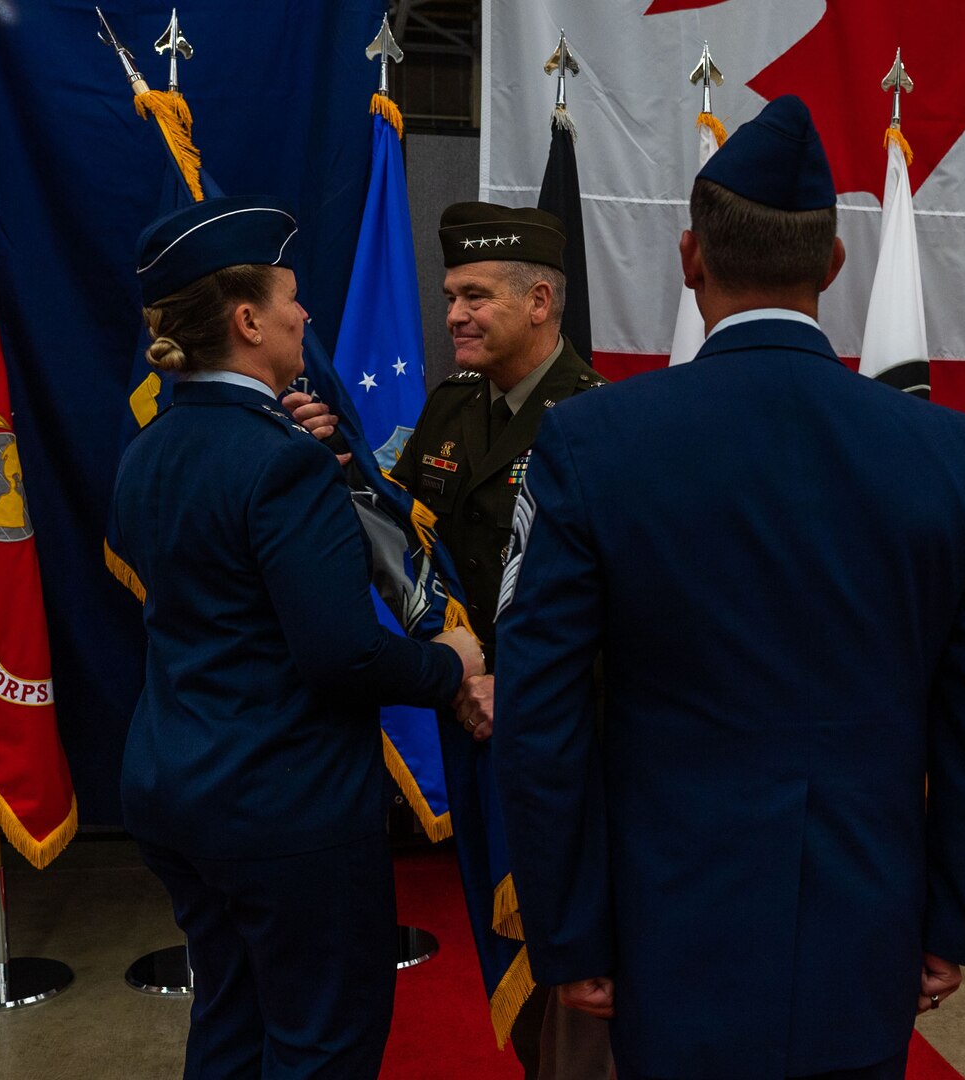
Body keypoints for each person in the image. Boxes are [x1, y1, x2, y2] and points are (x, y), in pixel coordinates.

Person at [489, 95, 965, 1080]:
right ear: (832, 267)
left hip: (667, 925)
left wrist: (571, 933)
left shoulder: (594, 443)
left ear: (690, 257)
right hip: (869, 922)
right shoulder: (952, 455)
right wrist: (951, 916)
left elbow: (543, 708)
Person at [109, 195, 483, 1078]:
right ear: (246, 321)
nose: (303, 314)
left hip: (172, 788)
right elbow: (341, 652)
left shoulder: (150, 449)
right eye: (288, 298)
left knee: (231, 1022)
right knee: (322, 1044)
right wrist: (451, 664)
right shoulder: (281, 460)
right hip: (281, 807)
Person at [289, 200, 612, 1080]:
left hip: (557, 736)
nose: (455, 315)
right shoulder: (451, 404)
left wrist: (519, 688)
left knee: (570, 956)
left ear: (540, 300)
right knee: (499, 939)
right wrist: (339, 462)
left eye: (476, 296)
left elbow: (619, 604)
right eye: (449, 296)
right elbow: (401, 529)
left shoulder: (599, 421)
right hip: (470, 721)